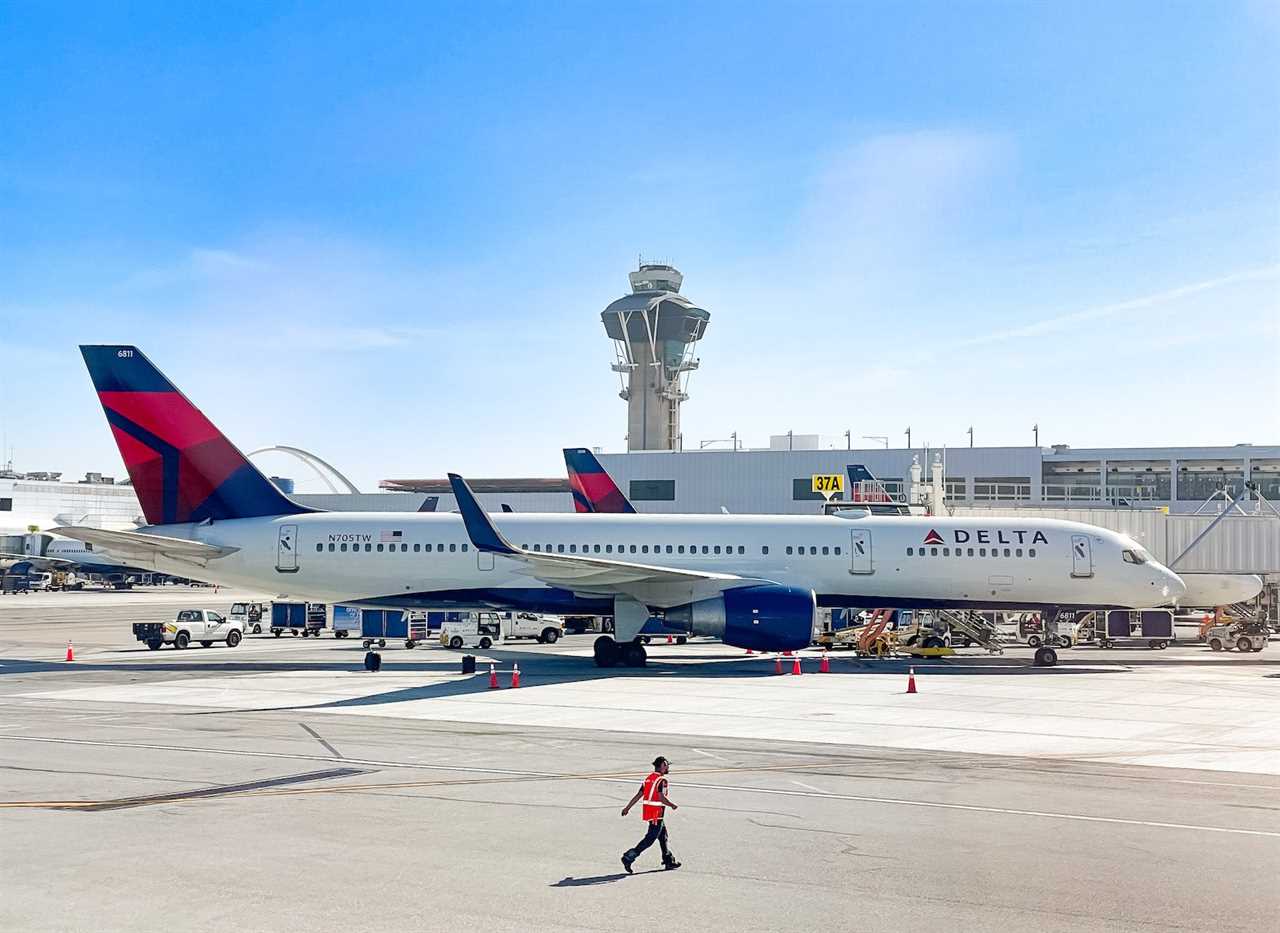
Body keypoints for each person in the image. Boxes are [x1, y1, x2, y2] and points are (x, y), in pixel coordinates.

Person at [620, 755, 680, 873]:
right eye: (667, 765)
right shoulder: (662, 781)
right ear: (663, 765)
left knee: (663, 836)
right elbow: (661, 798)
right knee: (650, 839)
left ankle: (668, 860)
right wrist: (672, 805)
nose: (668, 767)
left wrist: (627, 808)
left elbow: (639, 795)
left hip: (650, 812)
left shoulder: (649, 779)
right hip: (656, 814)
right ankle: (629, 857)